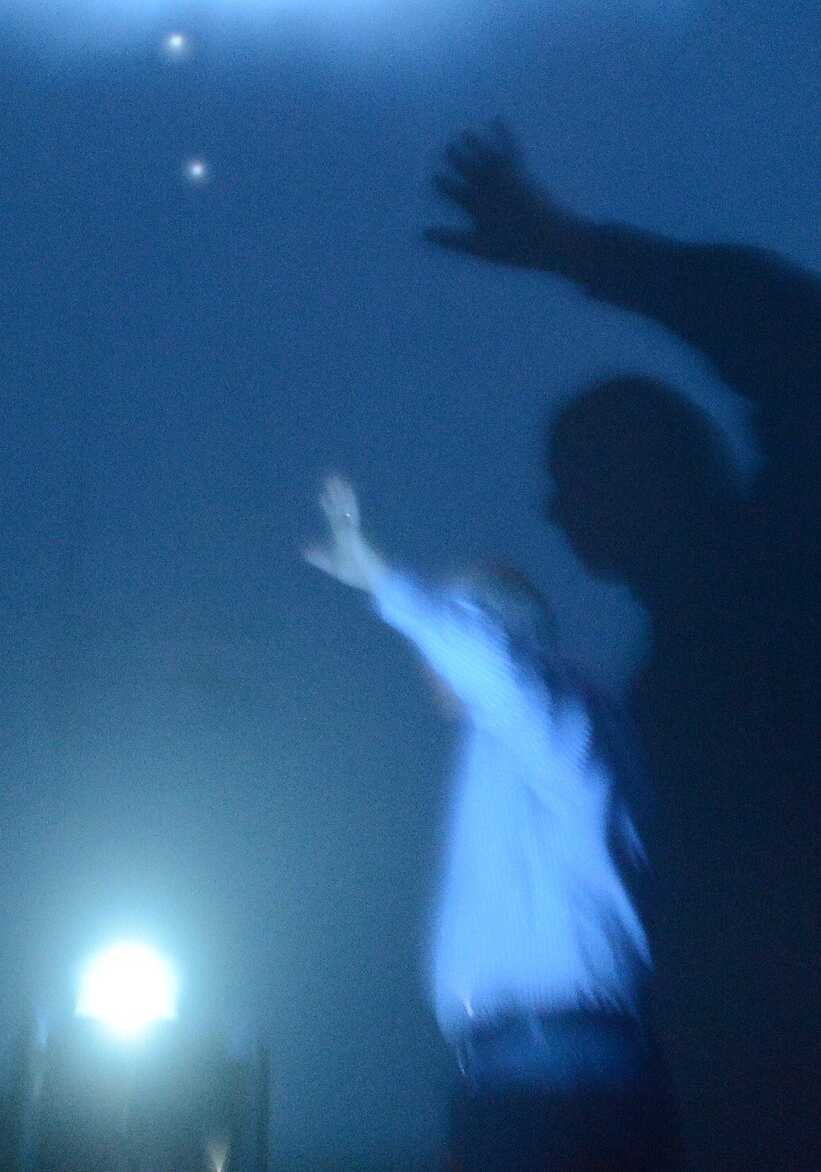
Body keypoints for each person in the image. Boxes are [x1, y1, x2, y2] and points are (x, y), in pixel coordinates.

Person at [425, 123, 821, 1170]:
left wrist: (574, 247)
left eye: (579, 470)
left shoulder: (784, 569)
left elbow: (790, 337)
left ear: (652, 468)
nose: (552, 509)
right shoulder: (654, 700)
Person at [305, 475, 682, 1172]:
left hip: (551, 1084)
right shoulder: (527, 742)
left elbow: (495, 671)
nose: (428, 655)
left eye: (450, 627)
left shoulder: (553, 706)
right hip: (535, 1076)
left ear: (491, 633)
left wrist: (382, 579)